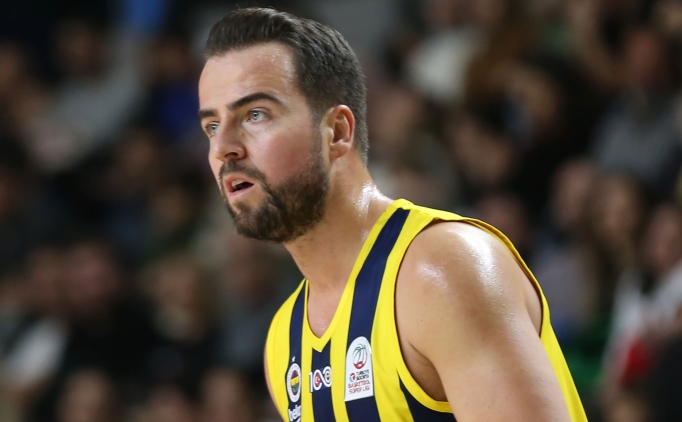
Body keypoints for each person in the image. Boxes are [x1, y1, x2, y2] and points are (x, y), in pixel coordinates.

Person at [197, 7, 587, 422]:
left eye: (255, 115)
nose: (223, 148)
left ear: (337, 132)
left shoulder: (441, 271)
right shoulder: (284, 339)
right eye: (212, 127)